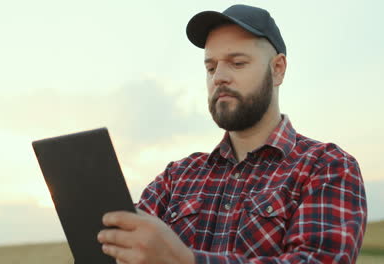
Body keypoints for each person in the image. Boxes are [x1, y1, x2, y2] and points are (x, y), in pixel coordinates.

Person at [97, 4, 367, 264]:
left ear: (278, 69)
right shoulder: (175, 178)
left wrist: (185, 261)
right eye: (211, 67)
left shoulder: (326, 167)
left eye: (237, 63)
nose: (219, 78)